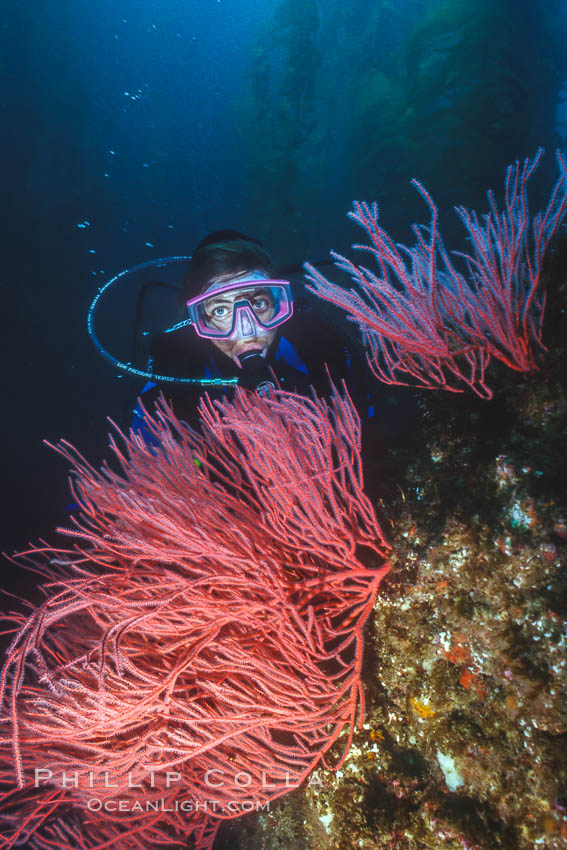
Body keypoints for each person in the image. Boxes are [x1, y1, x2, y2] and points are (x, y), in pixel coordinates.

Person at [134, 229, 373, 432]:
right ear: (200, 321)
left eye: (258, 303)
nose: (247, 330)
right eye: (220, 311)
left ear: (278, 304)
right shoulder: (171, 377)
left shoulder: (322, 351)